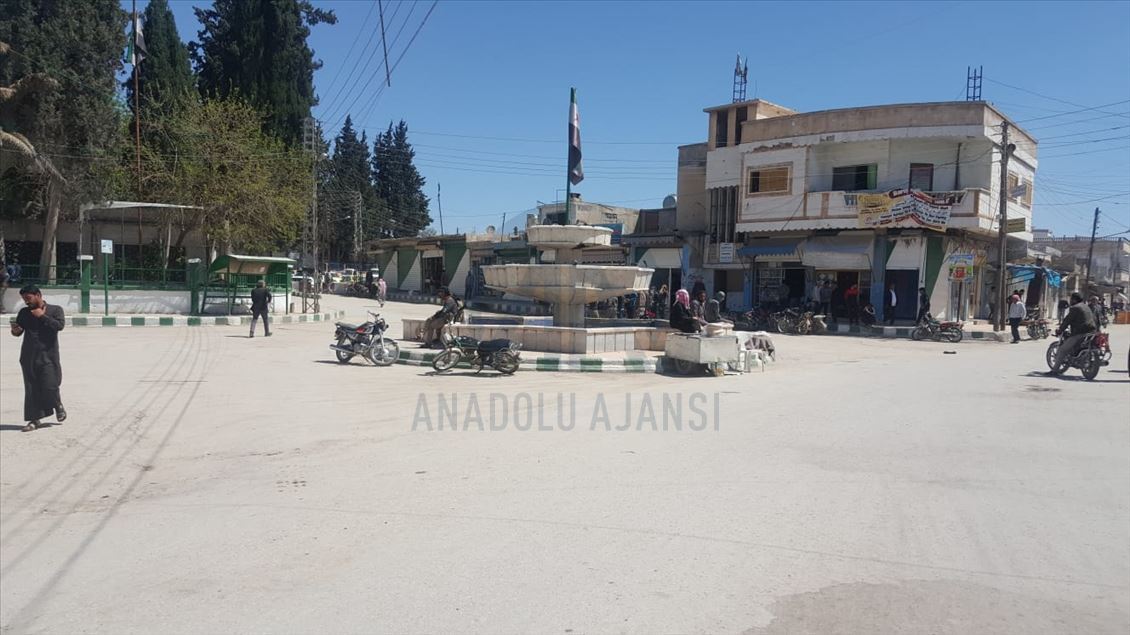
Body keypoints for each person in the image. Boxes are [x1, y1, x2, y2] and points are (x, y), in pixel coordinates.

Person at [10, 285, 66, 432]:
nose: (26, 302)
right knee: (31, 389)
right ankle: (34, 420)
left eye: (28, 298)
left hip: (48, 355)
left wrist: (42, 316)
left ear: (38, 295)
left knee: (50, 385)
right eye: (24, 299)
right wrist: (15, 331)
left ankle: (57, 404)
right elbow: (18, 332)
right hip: (28, 356)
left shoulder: (55, 310)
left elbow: (59, 326)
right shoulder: (24, 312)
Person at [1051, 292, 1096, 371]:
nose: (1070, 301)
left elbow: (1067, 320)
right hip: (1091, 331)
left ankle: (1054, 370)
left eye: (1071, 299)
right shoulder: (1086, 306)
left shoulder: (1075, 308)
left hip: (1080, 333)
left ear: (1074, 300)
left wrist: (1060, 330)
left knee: (1062, 350)